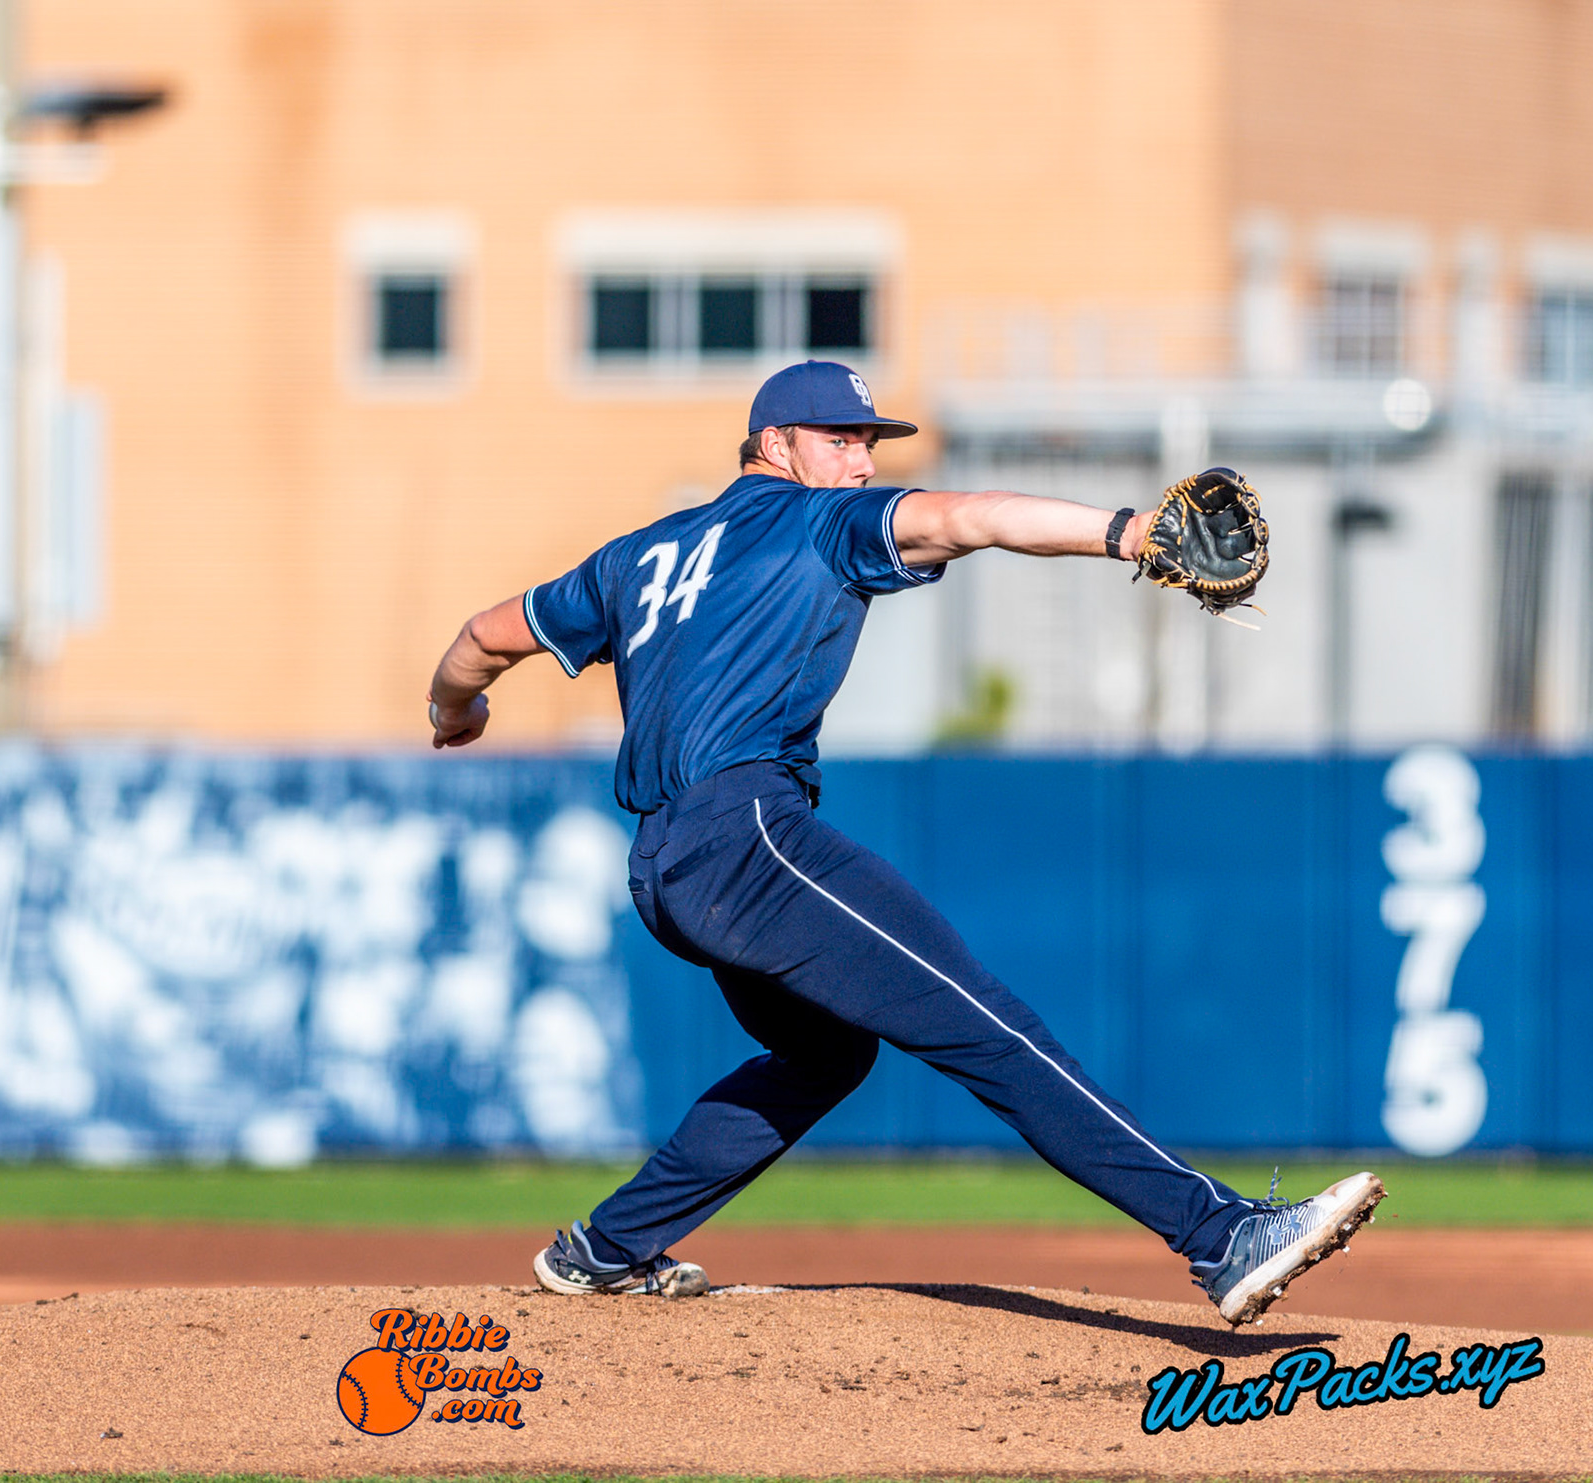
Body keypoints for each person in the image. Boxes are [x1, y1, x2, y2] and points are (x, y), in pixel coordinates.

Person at [425, 360, 1382, 1325]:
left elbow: (483, 634)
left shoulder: (636, 555)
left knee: (825, 1056)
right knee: (985, 1020)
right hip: (749, 837)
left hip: (667, 868)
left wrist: (451, 706)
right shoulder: (820, 521)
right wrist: (1132, 534)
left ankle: (606, 1249)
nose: (858, 460)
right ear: (774, 446)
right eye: (838, 439)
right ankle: (1220, 1236)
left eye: (868, 442)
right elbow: (972, 516)